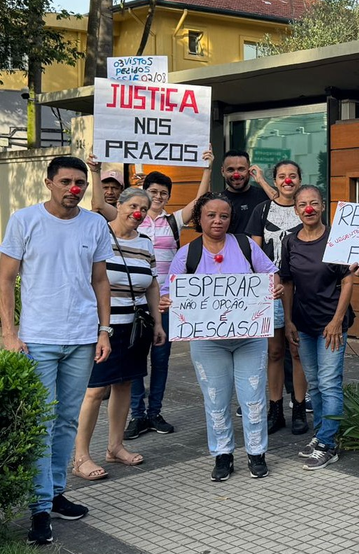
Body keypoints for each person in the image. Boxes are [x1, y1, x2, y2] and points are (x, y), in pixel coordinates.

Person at [0, 156, 113, 545]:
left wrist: (103, 331)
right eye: (66, 181)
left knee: (66, 420)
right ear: (48, 183)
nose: (74, 189)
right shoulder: (24, 220)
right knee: (42, 422)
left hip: (82, 338)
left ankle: (56, 492)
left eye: (80, 182)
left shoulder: (94, 224)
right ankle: (39, 508)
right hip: (38, 339)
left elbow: (100, 280)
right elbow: (5, 278)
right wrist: (9, 333)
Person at [88, 152, 213, 440]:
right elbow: (99, 205)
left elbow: (199, 203)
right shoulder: (131, 217)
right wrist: (94, 171)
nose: (158, 196)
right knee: (134, 361)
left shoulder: (173, 221)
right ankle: (137, 414)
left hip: (165, 301)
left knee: (161, 357)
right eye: (153, 191)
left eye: (163, 193)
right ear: (144, 193)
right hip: (132, 302)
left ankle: (155, 411)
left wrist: (207, 168)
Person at [160, 193, 282, 482]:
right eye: (211, 215)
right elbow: (168, 291)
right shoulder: (186, 254)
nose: (218, 221)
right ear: (199, 218)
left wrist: (275, 287)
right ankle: (222, 454)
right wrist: (167, 301)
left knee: (253, 398)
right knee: (215, 399)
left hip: (249, 337)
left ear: (230, 219)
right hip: (208, 343)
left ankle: (256, 452)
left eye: (224, 216)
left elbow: (271, 273)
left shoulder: (246, 245)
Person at [72, 188, 166, 481]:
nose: (137, 212)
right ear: (120, 205)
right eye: (133, 205)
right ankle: (80, 456)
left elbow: (152, 284)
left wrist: (158, 323)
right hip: (103, 327)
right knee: (95, 389)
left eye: (144, 208)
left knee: (125, 384)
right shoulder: (99, 235)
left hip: (135, 327)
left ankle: (115, 447)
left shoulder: (145, 242)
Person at [282, 185, 358, 470]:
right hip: (303, 323)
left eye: (314, 203)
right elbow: (287, 283)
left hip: (331, 324)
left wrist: (337, 321)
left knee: (329, 383)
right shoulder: (290, 241)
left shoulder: (337, 238)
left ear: (323, 206)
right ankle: (321, 434)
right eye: (303, 204)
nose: (308, 209)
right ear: (296, 210)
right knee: (314, 384)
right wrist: (288, 321)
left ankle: (328, 443)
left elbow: (348, 280)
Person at [246, 160, 312, 435]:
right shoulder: (262, 210)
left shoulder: (307, 209)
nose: (288, 180)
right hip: (270, 291)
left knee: (297, 351)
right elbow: (253, 252)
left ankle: (299, 407)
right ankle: (275, 409)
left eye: (293, 175)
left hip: (301, 290)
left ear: (299, 180)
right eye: (282, 176)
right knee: (274, 351)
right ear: (275, 181)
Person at [218, 149, 274, 234]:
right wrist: (207, 170)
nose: (236, 175)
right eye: (231, 170)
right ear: (223, 172)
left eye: (241, 169)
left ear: (249, 170)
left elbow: (284, 204)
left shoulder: (264, 195)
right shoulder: (218, 200)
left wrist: (261, 181)